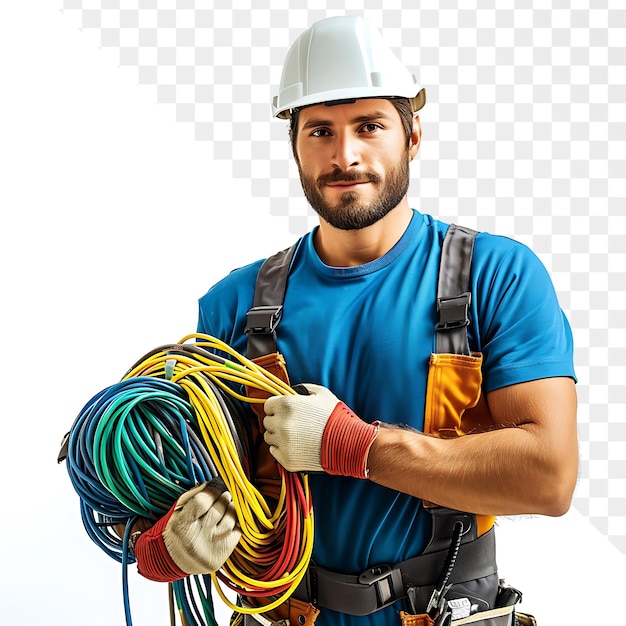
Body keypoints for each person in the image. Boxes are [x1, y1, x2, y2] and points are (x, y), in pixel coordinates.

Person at [132, 15, 578, 626]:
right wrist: (166, 549)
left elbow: (549, 477)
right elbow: (167, 483)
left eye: (370, 126)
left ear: (412, 135)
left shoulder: (494, 277)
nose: (345, 155)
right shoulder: (233, 307)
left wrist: (360, 448)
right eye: (319, 131)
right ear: (293, 144)